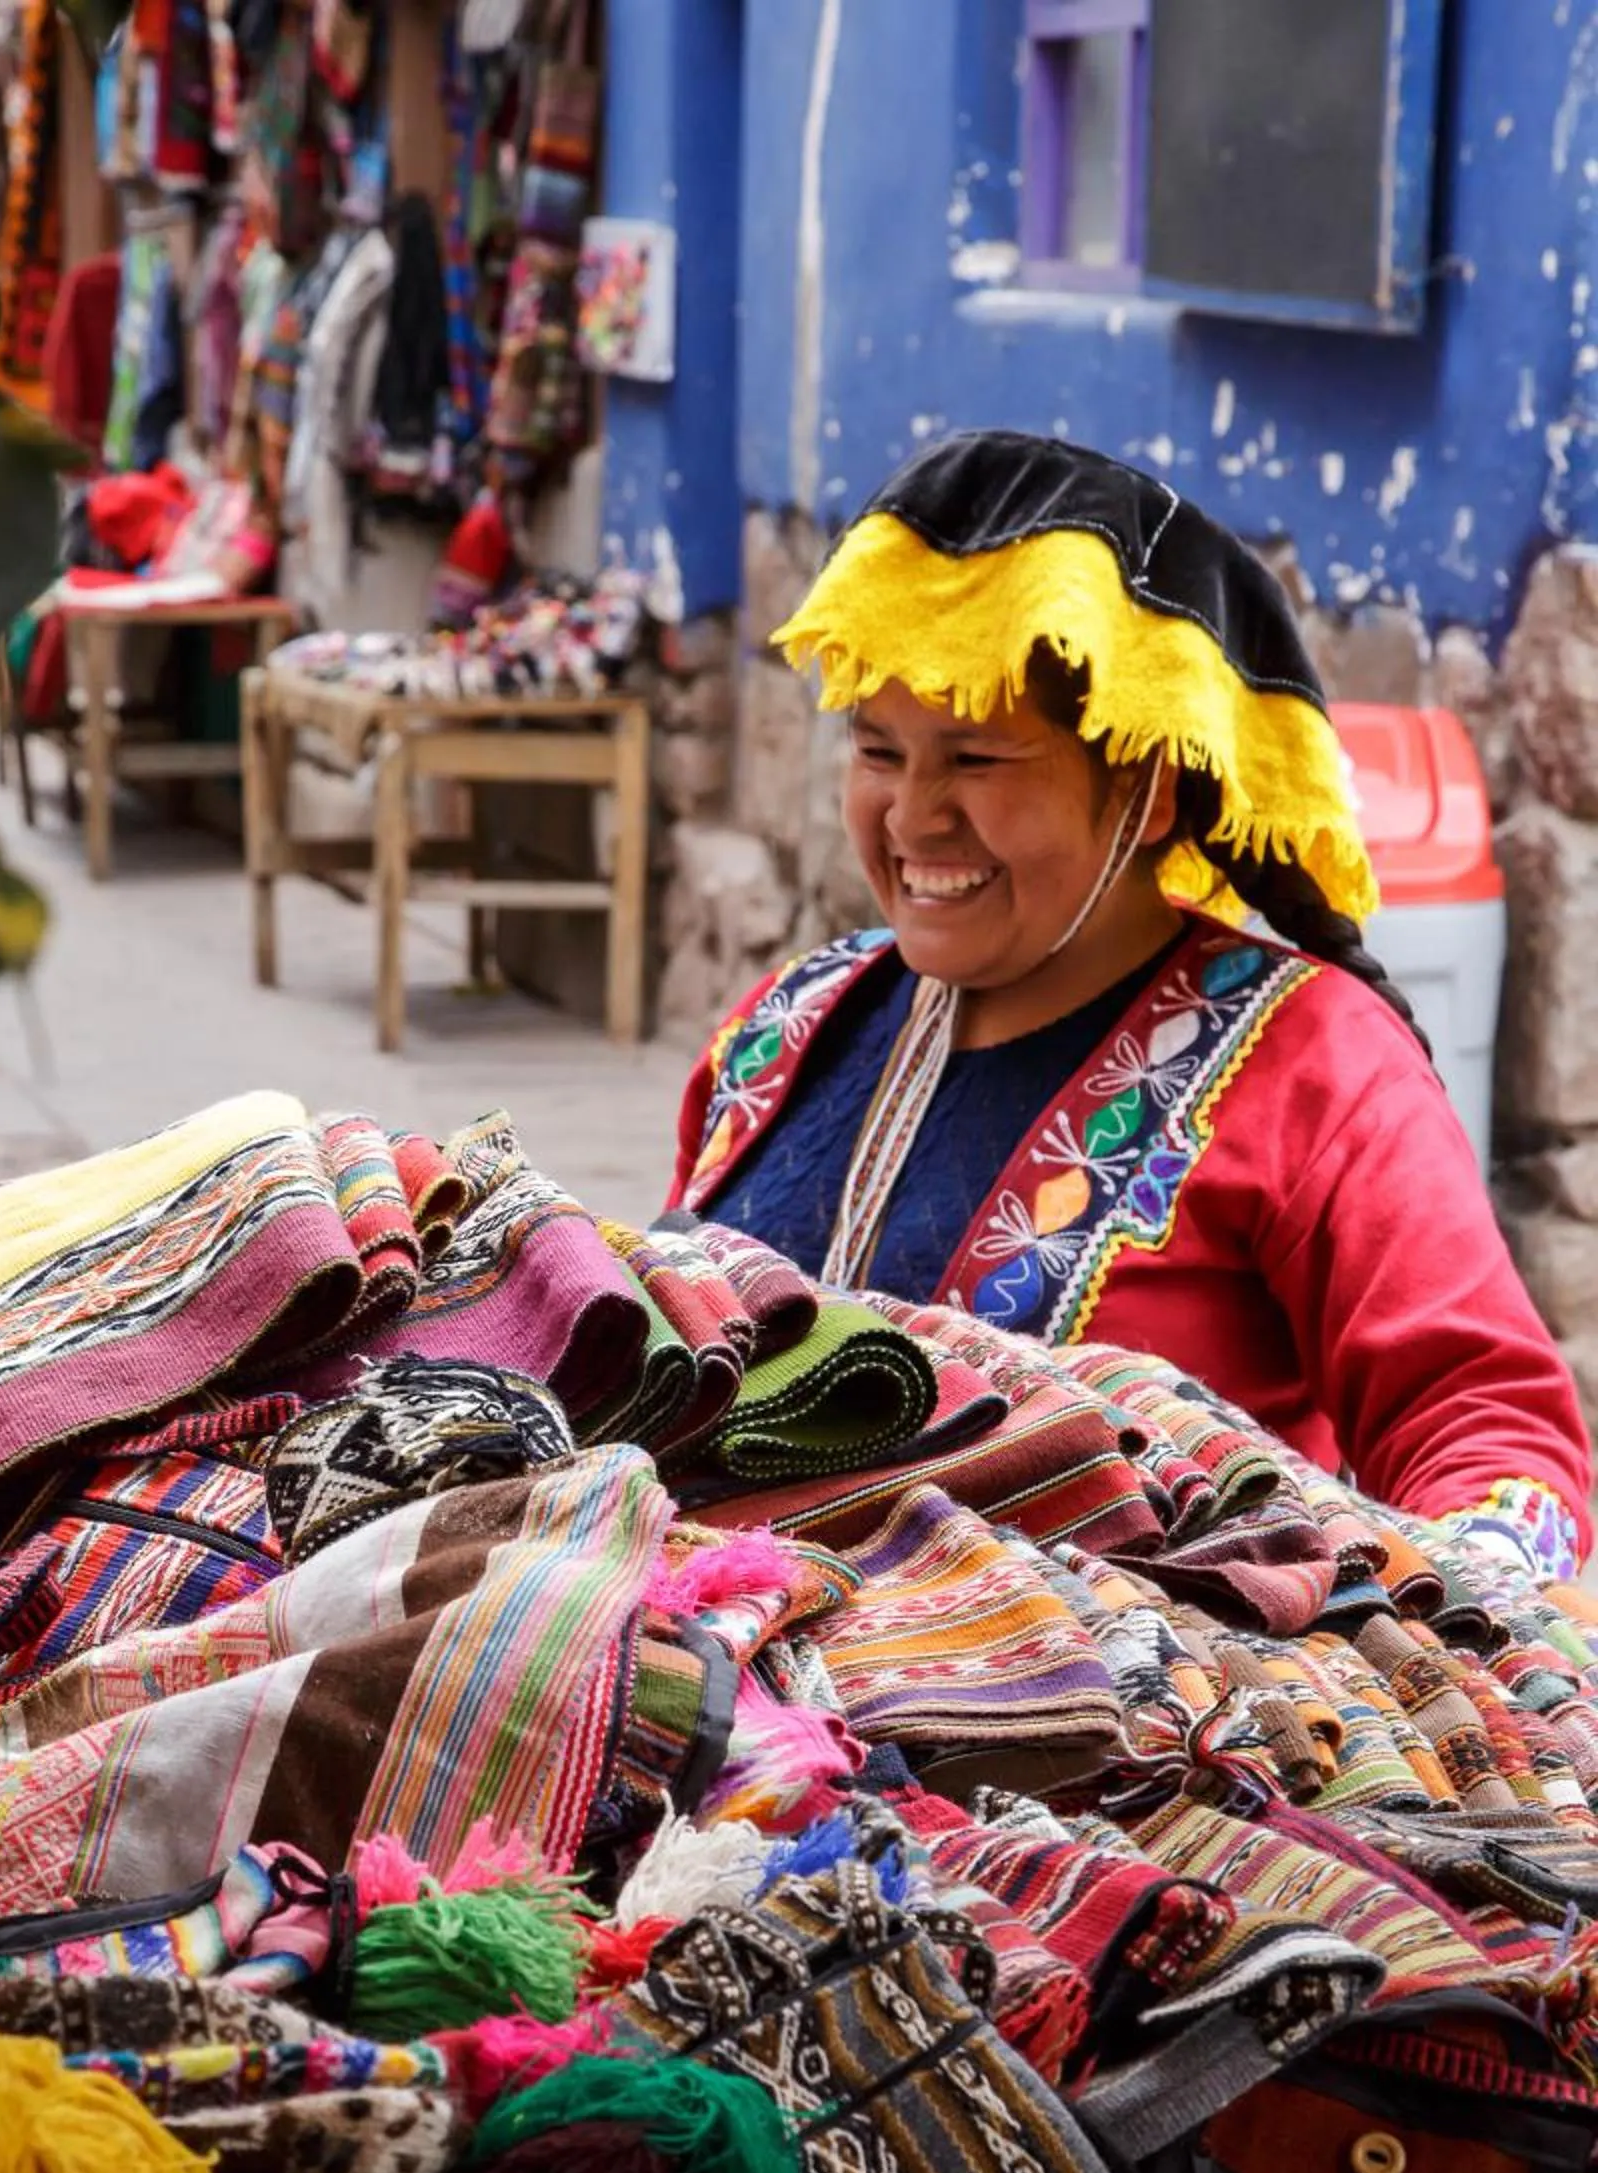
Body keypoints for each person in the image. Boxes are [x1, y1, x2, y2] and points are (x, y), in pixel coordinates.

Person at [668, 430, 1593, 1580]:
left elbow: (1487, 1432)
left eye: (975, 759)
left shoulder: (1314, 1067)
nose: (910, 819)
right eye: (876, 751)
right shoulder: (784, 1028)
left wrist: (1430, 1635)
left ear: (1146, 787)